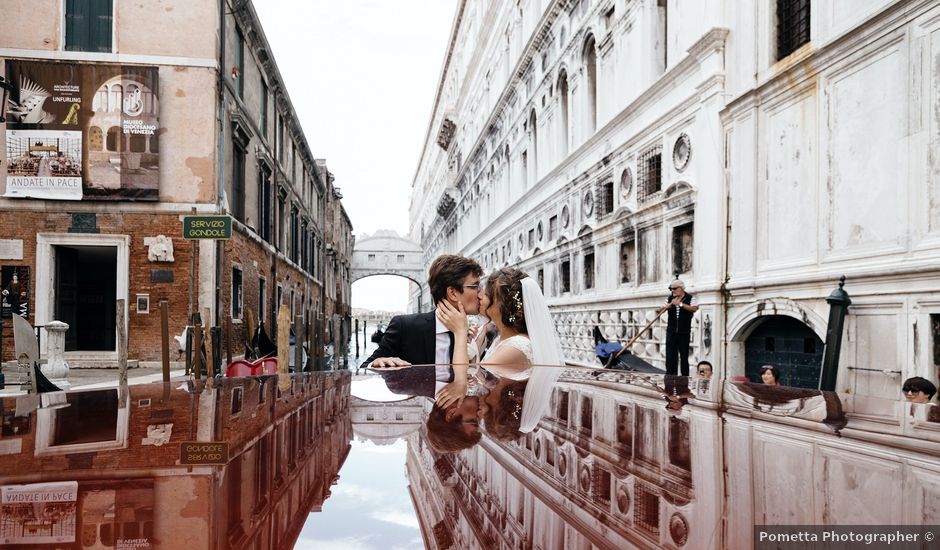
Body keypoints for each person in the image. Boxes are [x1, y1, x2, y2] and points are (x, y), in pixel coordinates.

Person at [437, 266, 565, 432]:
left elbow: (461, 375)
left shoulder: (515, 348)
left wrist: (459, 332)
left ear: (504, 305)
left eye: (487, 290)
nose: (480, 294)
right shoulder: (500, 339)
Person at [361, 255, 483, 399]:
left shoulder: (468, 330)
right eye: (475, 287)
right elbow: (365, 368)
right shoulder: (405, 326)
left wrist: (461, 333)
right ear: (453, 293)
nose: (481, 293)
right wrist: (376, 363)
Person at [660, 279, 698, 376]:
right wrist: (668, 306)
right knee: (670, 356)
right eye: (671, 289)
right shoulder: (669, 299)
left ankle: (684, 378)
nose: (672, 291)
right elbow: (659, 310)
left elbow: (694, 308)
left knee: (684, 356)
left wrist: (680, 304)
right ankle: (670, 377)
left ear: (681, 288)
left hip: (684, 332)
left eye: (674, 288)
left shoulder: (690, 298)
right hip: (671, 332)